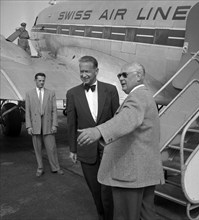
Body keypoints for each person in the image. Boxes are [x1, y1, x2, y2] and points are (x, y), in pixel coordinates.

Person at [77, 62, 165, 220]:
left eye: (125, 75)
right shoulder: (145, 95)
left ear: (138, 76)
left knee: (125, 215)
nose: (121, 78)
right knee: (146, 214)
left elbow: (127, 119)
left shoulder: (138, 96)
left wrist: (99, 130)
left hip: (130, 174)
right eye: (119, 75)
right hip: (143, 171)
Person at [66, 56, 120, 220]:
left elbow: (117, 121)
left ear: (96, 71)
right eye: (81, 71)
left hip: (108, 149)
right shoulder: (72, 93)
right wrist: (72, 149)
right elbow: (71, 124)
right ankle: (101, 215)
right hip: (86, 150)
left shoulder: (110, 90)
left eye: (87, 71)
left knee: (107, 191)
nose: (83, 75)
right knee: (95, 191)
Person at [25, 72, 64, 177]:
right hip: (35, 125)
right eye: (39, 80)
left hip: (48, 124)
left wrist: (54, 125)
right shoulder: (29, 93)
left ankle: (56, 167)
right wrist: (29, 126)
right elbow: (27, 111)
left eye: (43, 80)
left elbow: (54, 111)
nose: (42, 82)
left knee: (51, 147)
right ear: (35, 80)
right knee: (37, 148)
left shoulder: (51, 93)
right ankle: (40, 168)